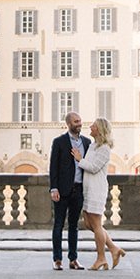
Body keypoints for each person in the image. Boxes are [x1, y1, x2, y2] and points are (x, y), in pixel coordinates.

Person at [75, 116, 125, 269]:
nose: (90, 127)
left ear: (100, 130)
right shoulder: (92, 146)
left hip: (97, 189)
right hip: (88, 189)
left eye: (94, 125)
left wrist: (79, 159)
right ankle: (113, 249)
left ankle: (101, 258)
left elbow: (94, 167)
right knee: (89, 223)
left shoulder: (104, 149)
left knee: (96, 224)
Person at [48, 110, 90, 270]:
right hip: (62, 190)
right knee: (58, 224)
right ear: (68, 124)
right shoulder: (59, 142)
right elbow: (53, 167)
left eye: (80, 121)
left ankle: (73, 259)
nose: (79, 124)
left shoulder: (87, 142)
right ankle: (57, 259)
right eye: (76, 122)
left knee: (74, 225)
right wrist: (54, 188)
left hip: (78, 190)